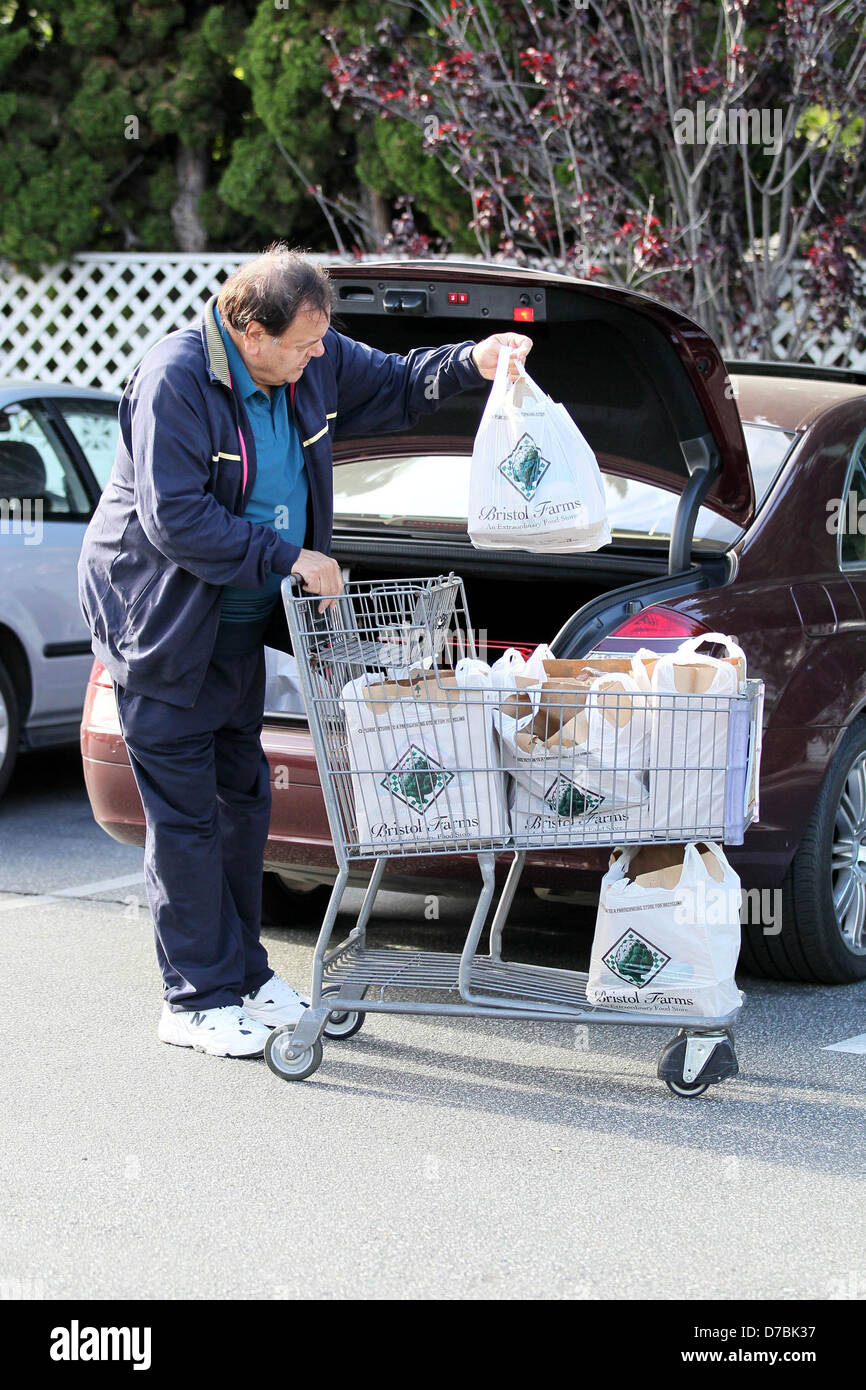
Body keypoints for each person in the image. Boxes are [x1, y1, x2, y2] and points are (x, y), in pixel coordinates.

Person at [78, 243, 532, 1059]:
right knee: (185, 817)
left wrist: (475, 357)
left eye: (321, 341)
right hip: (162, 629)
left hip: (236, 630)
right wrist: (288, 558)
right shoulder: (176, 379)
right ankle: (193, 998)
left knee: (243, 799)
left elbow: (392, 382)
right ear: (248, 330)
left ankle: (246, 975)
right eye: (301, 344)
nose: (317, 357)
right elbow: (174, 518)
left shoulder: (311, 361)